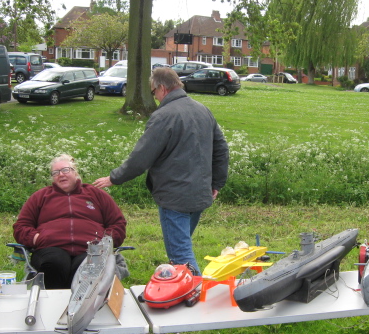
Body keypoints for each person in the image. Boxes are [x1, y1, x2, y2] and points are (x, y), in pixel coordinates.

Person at [93, 68, 229, 274]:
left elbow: (141, 157)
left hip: (175, 198)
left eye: (154, 91)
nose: (154, 96)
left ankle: (195, 293)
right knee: (182, 244)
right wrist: (216, 183)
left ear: (163, 88)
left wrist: (115, 178)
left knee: (180, 254)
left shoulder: (163, 116)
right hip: (199, 194)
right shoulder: (203, 110)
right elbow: (222, 150)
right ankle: (183, 289)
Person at [13, 154, 127, 289]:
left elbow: (118, 223)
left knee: (86, 267)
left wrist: (104, 241)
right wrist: (37, 239)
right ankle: (54, 303)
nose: (61, 175)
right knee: (55, 262)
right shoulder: (40, 196)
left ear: (75, 173)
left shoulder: (96, 194)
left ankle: (82, 306)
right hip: (51, 249)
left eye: (65, 170)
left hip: (91, 249)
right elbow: (21, 226)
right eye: (55, 172)